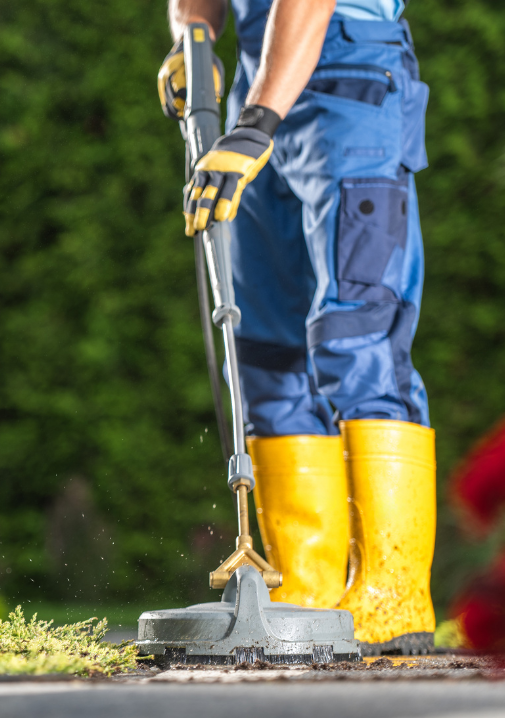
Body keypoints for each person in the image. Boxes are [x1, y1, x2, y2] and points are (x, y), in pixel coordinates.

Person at [159, 0, 435, 655]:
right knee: (263, 350)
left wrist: (257, 122)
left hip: (348, 72)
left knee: (356, 332)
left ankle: (392, 593)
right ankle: (304, 590)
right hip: (264, 80)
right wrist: (191, 37)